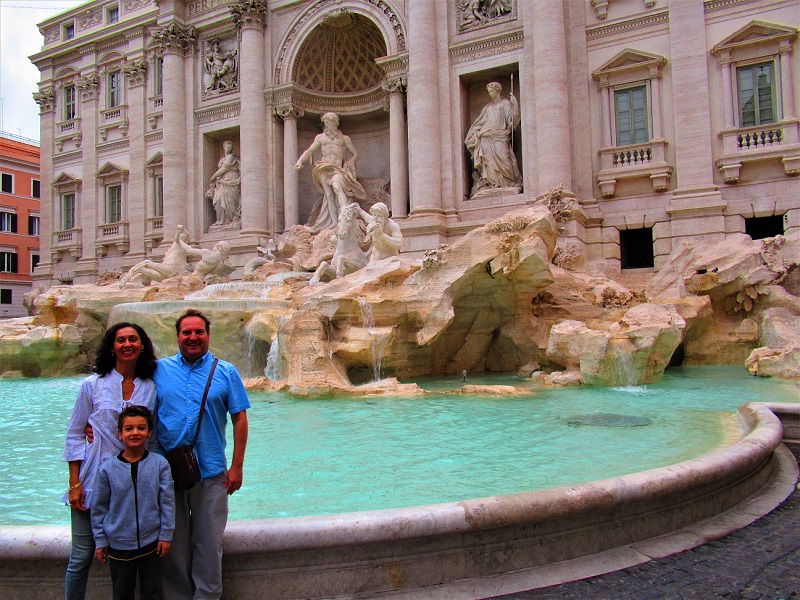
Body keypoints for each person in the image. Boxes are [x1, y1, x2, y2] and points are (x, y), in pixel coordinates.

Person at [154, 309, 250, 600]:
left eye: (199, 332)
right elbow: (134, 405)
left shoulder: (226, 371)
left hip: (211, 470)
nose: (193, 337)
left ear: (208, 335)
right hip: (168, 471)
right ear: (178, 337)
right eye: (187, 332)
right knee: (173, 543)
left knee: (209, 544)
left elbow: (240, 419)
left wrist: (237, 467)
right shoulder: (159, 370)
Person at [62, 322, 159, 600]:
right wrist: (74, 482)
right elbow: (74, 433)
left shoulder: (150, 387)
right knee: (80, 556)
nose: (127, 344)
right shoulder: (91, 385)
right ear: (112, 346)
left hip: (133, 481)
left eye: (133, 339)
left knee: (133, 554)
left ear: (142, 346)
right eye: (120, 340)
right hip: (93, 477)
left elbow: (152, 437)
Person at [91, 405, 175, 600]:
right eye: (129, 429)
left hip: (152, 541)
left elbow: (167, 502)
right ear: (120, 434)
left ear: (149, 433)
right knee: (121, 593)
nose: (135, 433)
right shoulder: (107, 469)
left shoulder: (160, 464)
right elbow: (99, 508)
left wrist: (166, 534)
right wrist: (101, 539)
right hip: (119, 544)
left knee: (153, 592)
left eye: (141, 428)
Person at [294, 112, 367, 231]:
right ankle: (334, 223)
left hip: (337, 169)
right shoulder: (320, 138)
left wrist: (351, 162)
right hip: (323, 167)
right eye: (327, 122)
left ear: (336, 123)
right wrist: (300, 161)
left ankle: (345, 216)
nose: (329, 125)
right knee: (329, 195)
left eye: (332, 122)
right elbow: (309, 151)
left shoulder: (344, 138)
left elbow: (355, 153)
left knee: (337, 187)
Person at [464, 81, 522, 195]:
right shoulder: (487, 107)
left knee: (504, 157)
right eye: (489, 92)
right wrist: (473, 135)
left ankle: (508, 182)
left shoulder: (505, 103)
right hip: (485, 137)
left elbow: (513, 122)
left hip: (500, 135)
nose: (490, 94)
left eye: (492, 91)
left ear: (498, 90)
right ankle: (492, 183)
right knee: (489, 161)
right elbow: (479, 123)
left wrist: (515, 105)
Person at [208, 141, 241, 227]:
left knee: (230, 201)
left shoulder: (230, 157)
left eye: (229, 148)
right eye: (226, 147)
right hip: (222, 180)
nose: (227, 149)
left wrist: (213, 177)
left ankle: (229, 220)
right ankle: (221, 221)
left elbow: (225, 168)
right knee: (219, 198)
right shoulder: (222, 158)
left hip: (231, 178)